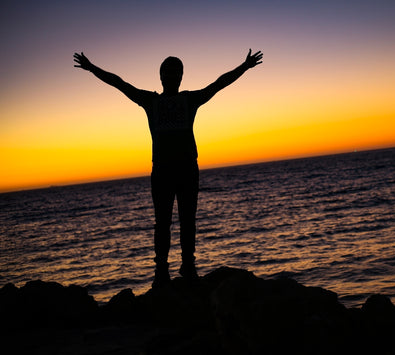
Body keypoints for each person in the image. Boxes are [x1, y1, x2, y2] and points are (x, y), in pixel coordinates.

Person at [73, 49, 263, 287]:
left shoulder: (188, 99)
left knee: (187, 220)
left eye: (176, 72)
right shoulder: (151, 101)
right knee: (162, 222)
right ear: (160, 76)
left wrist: (244, 67)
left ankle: (187, 266)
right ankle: (161, 269)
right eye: (168, 72)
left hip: (186, 169)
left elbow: (219, 83)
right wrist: (91, 68)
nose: (172, 76)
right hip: (162, 170)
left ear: (181, 76)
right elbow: (119, 83)